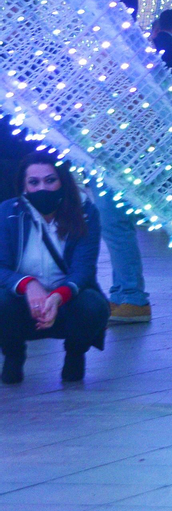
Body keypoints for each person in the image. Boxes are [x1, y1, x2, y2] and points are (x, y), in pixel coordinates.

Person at [0, 153, 110, 384]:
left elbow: (84, 270)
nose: (42, 188)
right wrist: (28, 285)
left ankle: (75, 354)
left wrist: (58, 296)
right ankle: (13, 355)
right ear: (24, 185)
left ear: (63, 181)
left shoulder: (86, 213)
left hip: (67, 301)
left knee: (94, 305)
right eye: (34, 182)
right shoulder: (8, 213)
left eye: (50, 180)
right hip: (21, 303)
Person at [101, 0, 153, 323]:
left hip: (118, 149)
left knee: (114, 222)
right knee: (112, 223)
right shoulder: (125, 44)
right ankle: (123, 293)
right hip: (110, 145)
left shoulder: (129, 47)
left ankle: (132, 295)